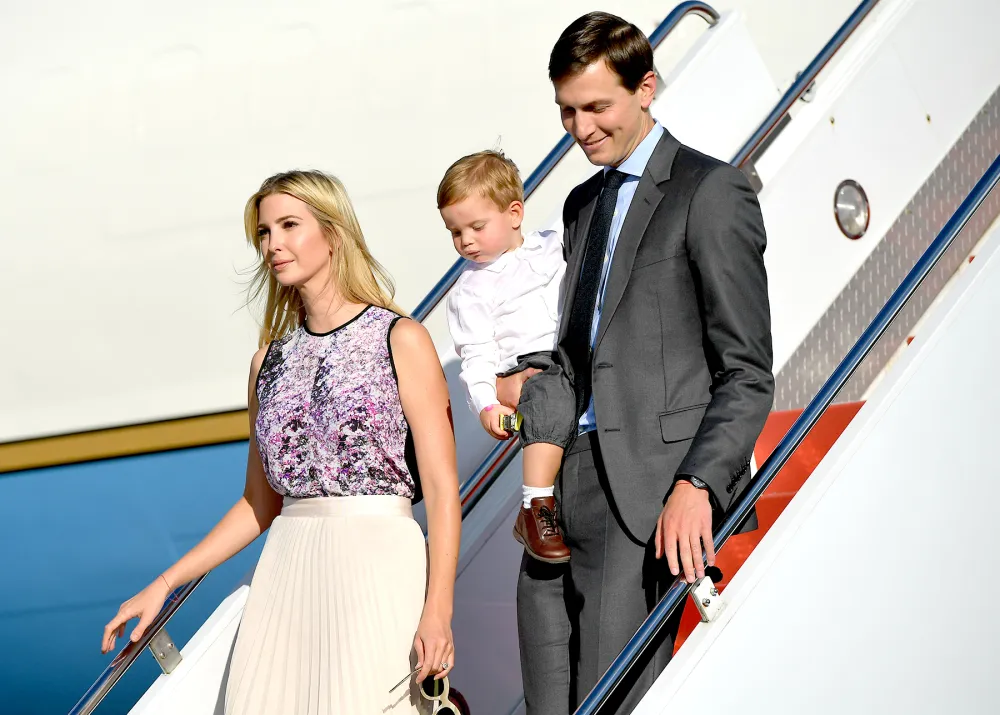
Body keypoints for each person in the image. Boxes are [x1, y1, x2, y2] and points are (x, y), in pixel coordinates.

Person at [101, 170, 462, 714]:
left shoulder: (401, 338)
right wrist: (165, 583)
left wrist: (438, 611)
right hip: (287, 569)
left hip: (379, 561)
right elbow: (259, 502)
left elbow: (440, 488)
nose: (273, 244)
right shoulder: (266, 362)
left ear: (334, 232)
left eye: (289, 225)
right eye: (265, 232)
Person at [499, 13, 775, 714]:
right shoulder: (579, 206)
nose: (580, 128)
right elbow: (584, 345)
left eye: (596, 107)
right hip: (563, 484)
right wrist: (529, 382)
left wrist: (697, 485)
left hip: (651, 496)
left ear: (646, 88)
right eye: (567, 111)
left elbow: (746, 371)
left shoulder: (710, 191)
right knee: (547, 701)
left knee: (606, 697)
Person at [440, 150, 577, 564]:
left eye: (477, 227)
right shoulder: (471, 290)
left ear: (514, 213)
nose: (466, 241)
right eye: (455, 231)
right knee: (549, 395)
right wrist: (486, 404)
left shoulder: (552, 247)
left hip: (571, 355)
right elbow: (477, 355)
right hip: (530, 367)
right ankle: (535, 506)